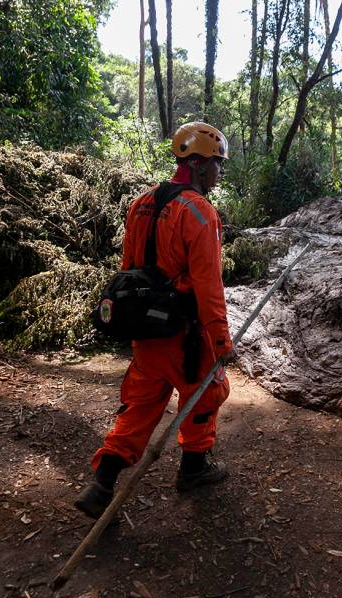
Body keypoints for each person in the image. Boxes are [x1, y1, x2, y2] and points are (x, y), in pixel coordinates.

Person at [75, 122, 234, 518]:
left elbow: (129, 268)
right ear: (197, 165)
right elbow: (208, 286)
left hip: (145, 329)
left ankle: (102, 482)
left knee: (140, 406)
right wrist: (221, 342)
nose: (218, 173)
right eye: (217, 164)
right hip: (186, 335)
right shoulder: (200, 212)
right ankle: (194, 469)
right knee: (206, 394)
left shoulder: (141, 203)